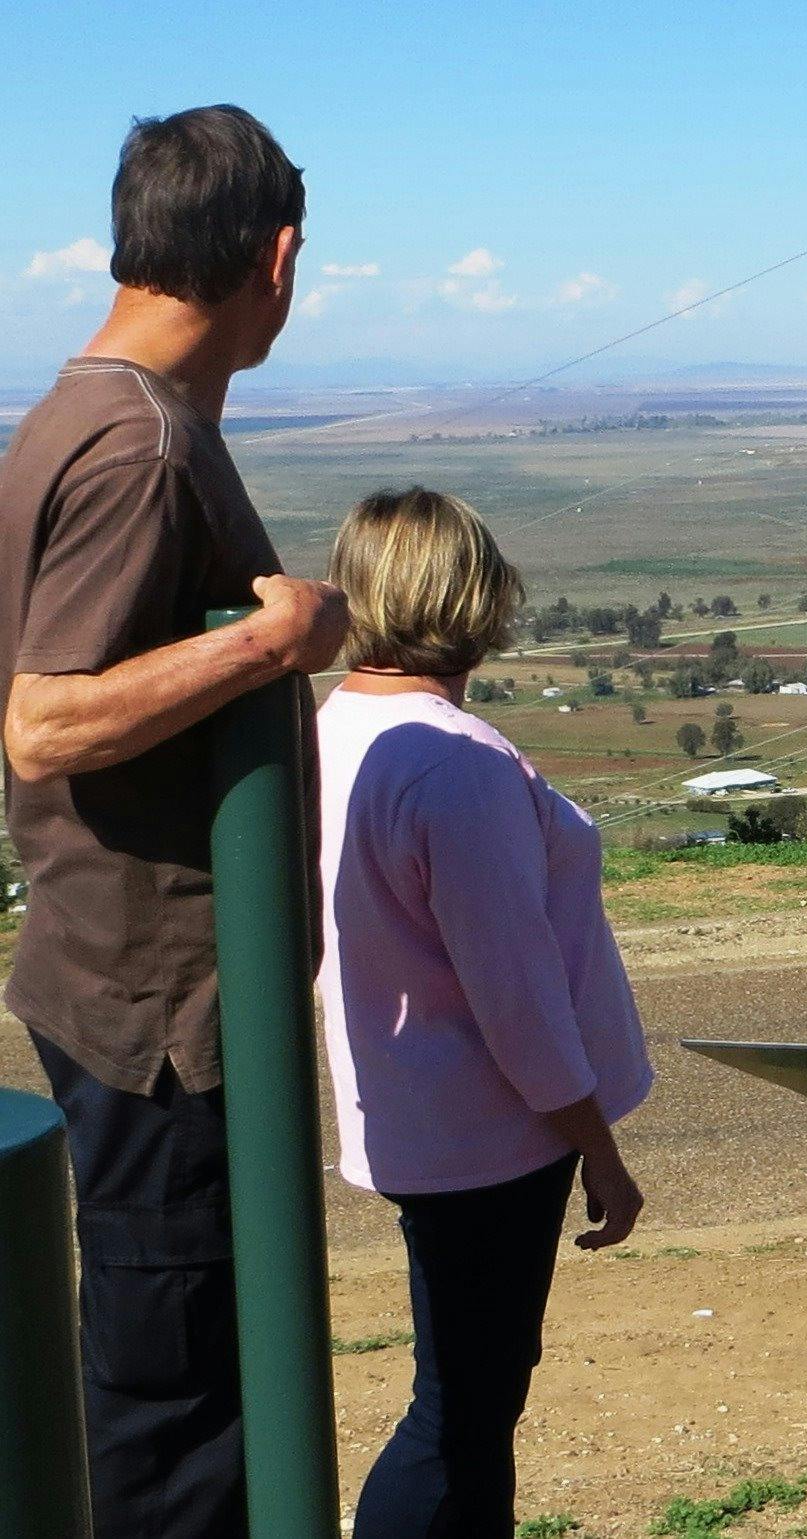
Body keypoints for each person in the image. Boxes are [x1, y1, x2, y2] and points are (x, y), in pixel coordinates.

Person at [0, 106, 347, 1538]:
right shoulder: (142, 444)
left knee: (189, 1390)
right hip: (153, 1017)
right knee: (180, 1414)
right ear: (275, 256)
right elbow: (45, 716)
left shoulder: (75, 410)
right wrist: (276, 644)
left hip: (123, 992)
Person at [317, 486, 653, 1537]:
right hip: (489, 1137)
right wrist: (597, 1146)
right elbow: (518, 1001)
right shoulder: (450, 765)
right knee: (460, 1411)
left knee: (470, 1396)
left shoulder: (337, 729)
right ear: (473, 595)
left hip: (417, 1113)